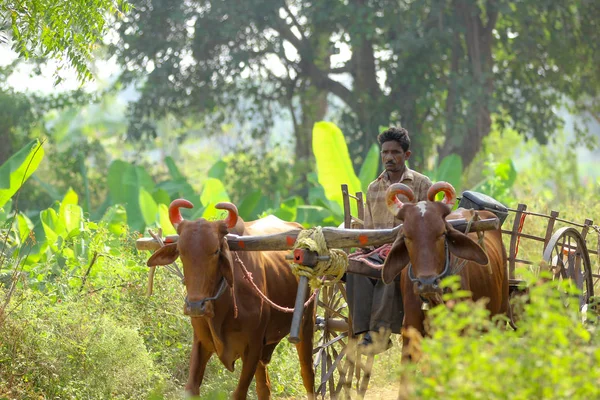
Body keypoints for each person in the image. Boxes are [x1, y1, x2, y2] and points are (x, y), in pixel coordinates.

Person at [346, 126, 432, 353]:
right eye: (385, 152)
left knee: (389, 269)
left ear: (407, 155)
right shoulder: (374, 188)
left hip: (410, 252)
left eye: (395, 152)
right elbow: (368, 226)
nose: (388, 157)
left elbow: (430, 224)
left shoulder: (422, 184)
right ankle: (363, 331)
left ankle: (380, 333)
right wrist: (369, 250)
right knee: (354, 268)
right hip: (376, 250)